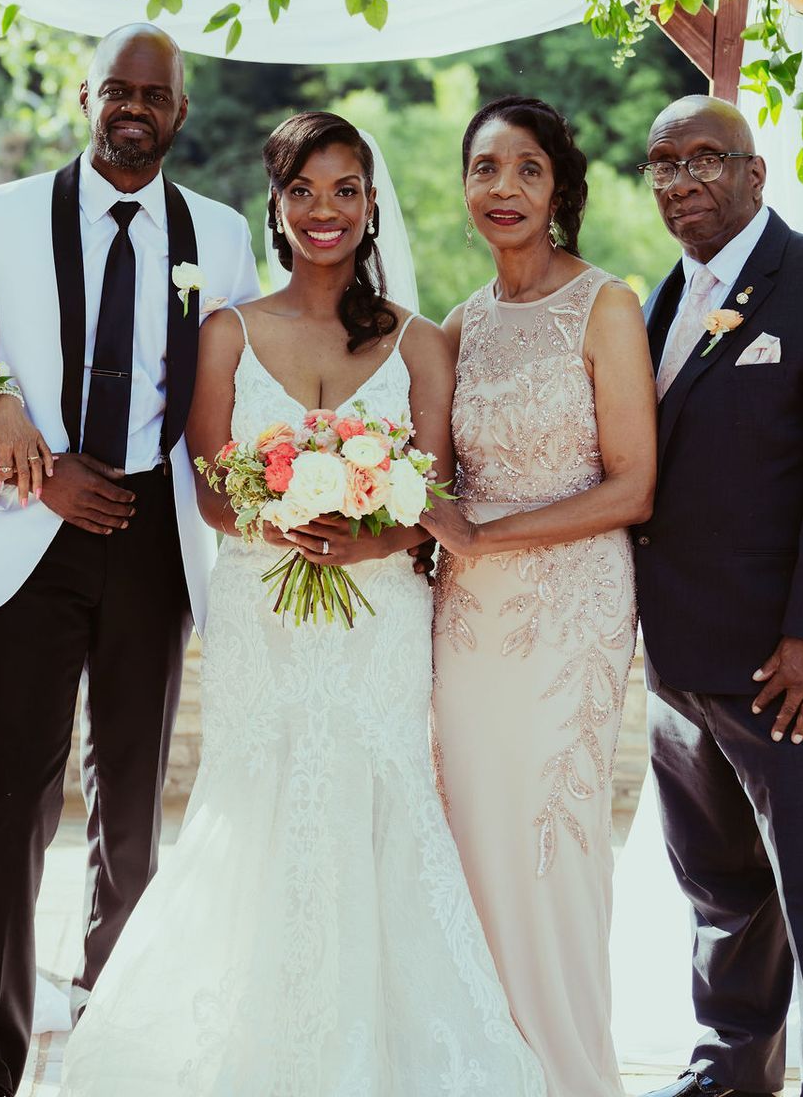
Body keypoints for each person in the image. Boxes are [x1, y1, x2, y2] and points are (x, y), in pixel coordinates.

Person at [58, 112, 547, 1094]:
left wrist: (368, 532)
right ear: (275, 206)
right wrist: (273, 525)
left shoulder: (419, 342)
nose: (325, 210)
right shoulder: (229, 330)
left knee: (378, 790)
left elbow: (435, 493)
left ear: (373, 207)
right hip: (261, 609)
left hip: (378, 618)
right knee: (259, 793)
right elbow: (202, 480)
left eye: (346, 191)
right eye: (304, 191)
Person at [0, 24, 263, 1097]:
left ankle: (117, 1039)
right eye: (117, 89)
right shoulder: (3, 214)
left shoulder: (219, 234)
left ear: (180, 112)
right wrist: (21, 445)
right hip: (34, 536)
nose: (133, 107)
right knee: (14, 798)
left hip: (161, 538)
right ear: (86, 96)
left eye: (153, 95)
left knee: (132, 796)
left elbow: (239, 394)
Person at [631, 96, 803, 1097]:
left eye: (706, 157)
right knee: (720, 888)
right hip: (685, 664)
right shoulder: (659, 300)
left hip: (795, 666)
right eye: (663, 162)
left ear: (756, 173)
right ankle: (732, 1067)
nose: (682, 179)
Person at [416, 96, 656, 1097]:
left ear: (559, 185)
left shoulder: (605, 305)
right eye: (484, 169)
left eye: (525, 169)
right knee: (469, 832)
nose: (501, 189)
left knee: (553, 841)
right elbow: (435, 476)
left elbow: (633, 484)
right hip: (467, 620)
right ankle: (486, 1065)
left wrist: (486, 532)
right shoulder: (462, 321)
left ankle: (568, 1070)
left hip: (570, 608)